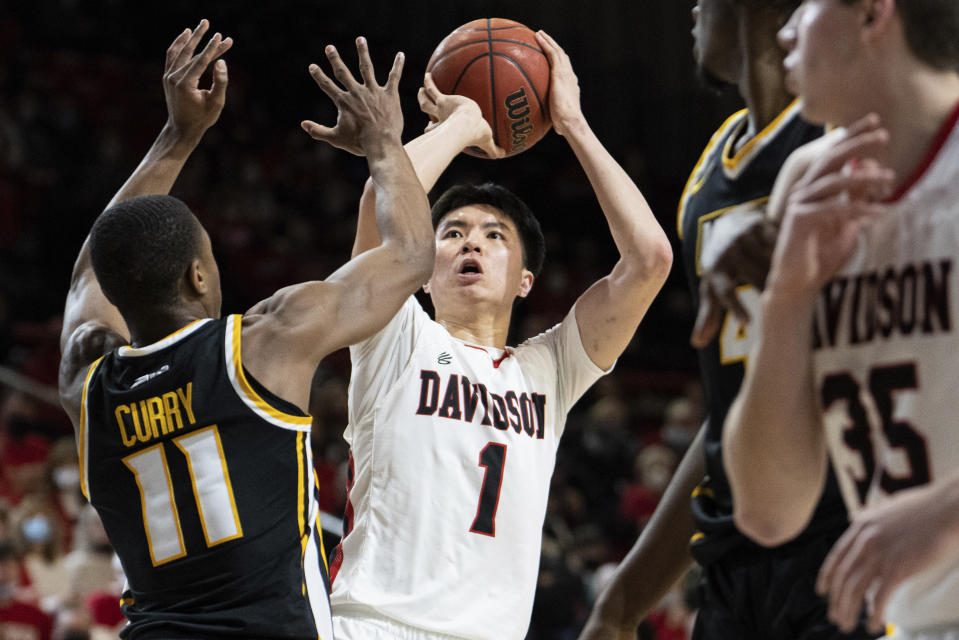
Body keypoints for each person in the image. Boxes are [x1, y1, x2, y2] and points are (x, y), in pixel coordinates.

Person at [57, 20, 434, 639]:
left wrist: (176, 139)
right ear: (199, 278)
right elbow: (413, 255)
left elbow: (86, 281)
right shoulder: (264, 343)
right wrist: (385, 142)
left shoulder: (86, 386)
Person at [324, 31, 673, 640]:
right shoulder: (396, 338)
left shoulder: (548, 370)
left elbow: (649, 259)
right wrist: (463, 126)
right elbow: (382, 208)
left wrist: (572, 124)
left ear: (526, 281)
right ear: (423, 273)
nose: (472, 244)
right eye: (452, 233)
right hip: (373, 623)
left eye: (495, 236)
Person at [581, 2, 878, 638]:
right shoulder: (709, 174)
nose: (690, 10)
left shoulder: (852, 134)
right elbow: (730, 412)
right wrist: (622, 602)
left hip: (857, 546)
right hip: (737, 570)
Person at [722, 0, 959, 637]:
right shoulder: (809, 184)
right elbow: (769, 512)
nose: (785, 30)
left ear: (874, 12)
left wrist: (948, 512)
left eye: (807, 3)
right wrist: (788, 298)